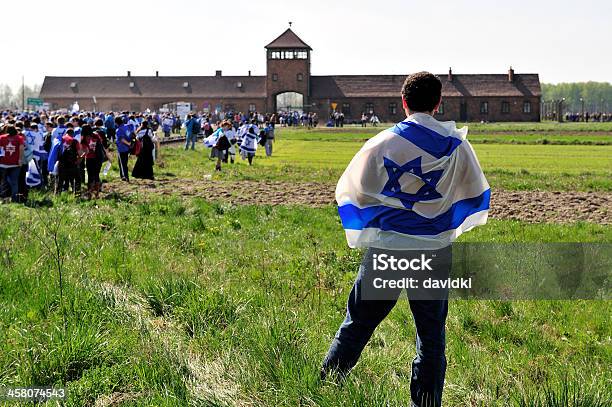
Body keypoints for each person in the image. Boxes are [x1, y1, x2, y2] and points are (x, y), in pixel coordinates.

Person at [320, 72, 490, 407]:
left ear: (403, 102)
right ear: (438, 103)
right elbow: (476, 191)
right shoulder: (457, 146)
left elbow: (354, 189)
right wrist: (441, 219)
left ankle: (323, 389)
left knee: (357, 325)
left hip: (388, 248)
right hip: (433, 253)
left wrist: (386, 214)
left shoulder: (382, 143)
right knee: (430, 339)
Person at [0, 125, 26, 202]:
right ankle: (14, 199)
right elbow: (21, 149)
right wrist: (20, 160)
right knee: (14, 182)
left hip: (3, 163)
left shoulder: (1, 137)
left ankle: (3, 198)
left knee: (3, 181)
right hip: (15, 163)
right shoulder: (19, 138)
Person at [55, 128, 82, 195]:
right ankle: (77, 194)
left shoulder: (59, 140)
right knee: (77, 179)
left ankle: (57, 195)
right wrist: (78, 161)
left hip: (61, 163)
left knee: (60, 181)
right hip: (72, 163)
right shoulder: (75, 141)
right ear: (73, 134)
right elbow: (80, 154)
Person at [81, 125, 106, 199]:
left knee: (90, 176)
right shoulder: (96, 135)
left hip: (90, 158)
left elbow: (86, 151)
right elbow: (101, 144)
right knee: (96, 175)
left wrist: (81, 157)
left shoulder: (84, 138)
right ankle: (97, 194)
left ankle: (89, 194)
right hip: (99, 157)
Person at [115, 116, 131, 182]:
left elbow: (121, 139)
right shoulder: (126, 126)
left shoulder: (118, 130)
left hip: (122, 148)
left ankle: (125, 176)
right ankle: (122, 176)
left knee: (122, 163)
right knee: (123, 162)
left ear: (116, 123)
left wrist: (128, 143)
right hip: (127, 148)